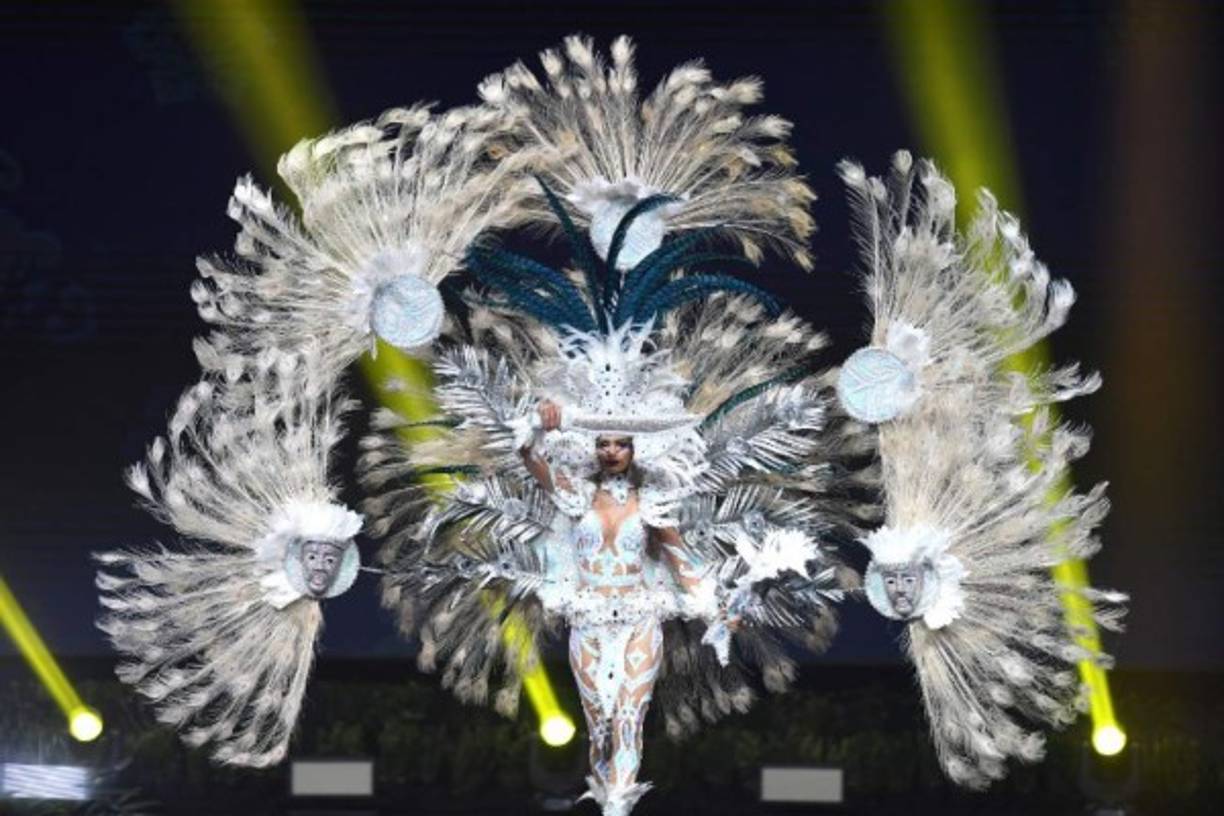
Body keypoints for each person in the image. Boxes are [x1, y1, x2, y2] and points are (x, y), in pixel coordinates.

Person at [520, 399, 708, 810]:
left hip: (638, 620)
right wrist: (539, 421)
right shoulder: (578, 495)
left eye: (621, 443)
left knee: (628, 718)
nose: (611, 451)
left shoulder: (651, 503)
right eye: (603, 442)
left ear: (636, 448)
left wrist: (715, 608)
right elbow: (527, 455)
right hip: (588, 622)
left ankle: (616, 809)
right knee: (601, 728)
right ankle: (608, 800)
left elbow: (681, 561)